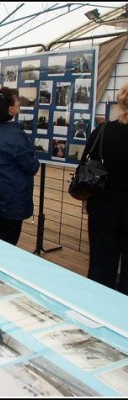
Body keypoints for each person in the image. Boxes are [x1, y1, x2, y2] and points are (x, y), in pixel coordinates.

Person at [0, 87, 40, 245]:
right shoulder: (15, 135)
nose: (20, 103)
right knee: (7, 246)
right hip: (11, 198)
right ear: (10, 108)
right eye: (17, 100)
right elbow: (31, 166)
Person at [83, 84, 128, 295]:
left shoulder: (103, 130)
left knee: (101, 265)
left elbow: (85, 165)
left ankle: (96, 314)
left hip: (103, 207)